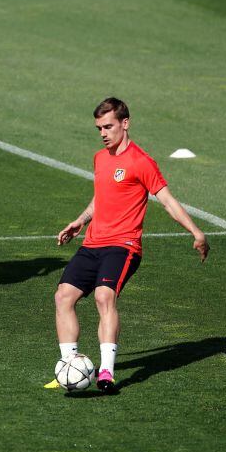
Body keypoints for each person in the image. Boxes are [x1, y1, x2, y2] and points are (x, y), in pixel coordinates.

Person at [47, 97, 210, 394]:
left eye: (108, 126)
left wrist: (196, 232)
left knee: (103, 297)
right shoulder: (100, 158)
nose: (103, 133)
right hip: (92, 243)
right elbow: (102, 196)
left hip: (123, 246)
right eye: (99, 128)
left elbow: (168, 201)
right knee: (62, 296)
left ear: (125, 123)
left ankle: (107, 372)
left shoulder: (141, 162)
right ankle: (71, 366)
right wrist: (80, 221)